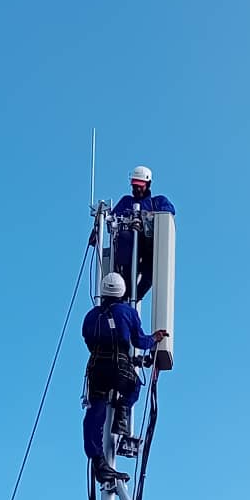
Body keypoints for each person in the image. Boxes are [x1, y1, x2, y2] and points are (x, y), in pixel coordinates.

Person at [82, 272, 168, 483]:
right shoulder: (127, 312)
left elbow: (88, 340)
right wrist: (154, 339)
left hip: (96, 369)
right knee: (134, 387)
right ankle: (121, 413)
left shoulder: (91, 316)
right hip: (119, 366)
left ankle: (98, 462)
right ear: (122, 292)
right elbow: (139, 341)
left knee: (96, 412)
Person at [112, 166, 175, 302]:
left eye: (140, 186)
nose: (137, 189)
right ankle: (126, 291)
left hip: (148, 249)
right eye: (135, 186)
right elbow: (113, 218)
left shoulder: (157, 202)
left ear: (148, 184)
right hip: (129, 250)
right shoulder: (126, 202)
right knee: (125, 243)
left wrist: (145, 217)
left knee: (150, 274)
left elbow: (169, 213)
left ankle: (134, 298)